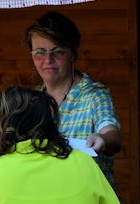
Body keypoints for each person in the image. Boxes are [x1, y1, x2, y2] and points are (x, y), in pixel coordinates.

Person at [23, 11, 122, 187]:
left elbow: (112, 135)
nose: (48, 60)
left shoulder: (94, 94)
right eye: (40, 52)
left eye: (58, 51)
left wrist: (102, 139)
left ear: (73, 54)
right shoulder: (31, 100)